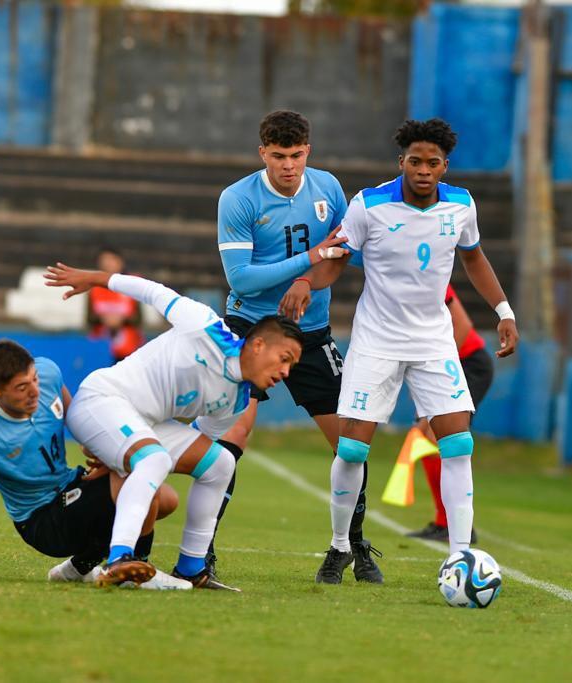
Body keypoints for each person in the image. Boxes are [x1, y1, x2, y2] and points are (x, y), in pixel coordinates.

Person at [280, 118, 519, 584]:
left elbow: (473, 258)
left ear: (445, 166)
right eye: (415, 161)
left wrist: (504, 310)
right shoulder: (368, 205)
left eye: (433, 163)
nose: (424, 170)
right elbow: (337, 257)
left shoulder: (461, 204)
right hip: (377, 340)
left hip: (433, 340)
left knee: (458, 442)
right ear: (401, 163)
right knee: (350, 449)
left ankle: (460, 556)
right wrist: (308, 280)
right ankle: (339, 546)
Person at [45, 263, 306, 591]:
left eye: (292, 366)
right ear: (257, 345)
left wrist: (124, 454)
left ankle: (191, 568)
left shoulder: (236, 400)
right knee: (154, 459)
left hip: (140, 424)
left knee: (220, 463)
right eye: (285, 358)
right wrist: (95, 279)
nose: (286, 372)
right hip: (101, 399)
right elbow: (152, 291)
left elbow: (198, 442)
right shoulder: (204, 325)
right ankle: (121, 558)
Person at [214, 110, 385, 582]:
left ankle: (351, 545)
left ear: (308, 150)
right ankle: (202, 551)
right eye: (278, 156)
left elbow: (343, 255)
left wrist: (310, 279)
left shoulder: (328, 188)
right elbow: (241, 280)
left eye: (296, 155)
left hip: (312, 334)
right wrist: (308, 259)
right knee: (233, 437)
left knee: (351, 443)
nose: (288, 165)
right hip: (252, 328)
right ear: (262, 154)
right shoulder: (238, 199)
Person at [0, 339, 190, 589]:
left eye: (34, 379)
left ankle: (79, 567)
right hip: (41, 520)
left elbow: (81, 419)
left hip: (71, 485)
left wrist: (102, 455)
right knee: (131, 477)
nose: (34, 391)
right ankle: (136, 570)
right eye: (22, 387)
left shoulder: (49, 374)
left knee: (165, 498)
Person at [408, 284, 495, 542]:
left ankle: (455, 526)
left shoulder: (432, 277)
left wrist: (440, 370)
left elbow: (463, 326)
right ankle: (443, 521)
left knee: (440, 441)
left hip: (466, 363)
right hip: (439, 366)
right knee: (425, 439)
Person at [89, 247, 144, 363]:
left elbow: (138, 319)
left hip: (129, 350)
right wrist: (103, 319)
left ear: (120, 262)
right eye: (104, 261)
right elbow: (89, 318)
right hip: (100, 349)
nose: (107, 264)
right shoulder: (94, 288)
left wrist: (121, 320)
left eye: (111, 260)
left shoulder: (133, 284)